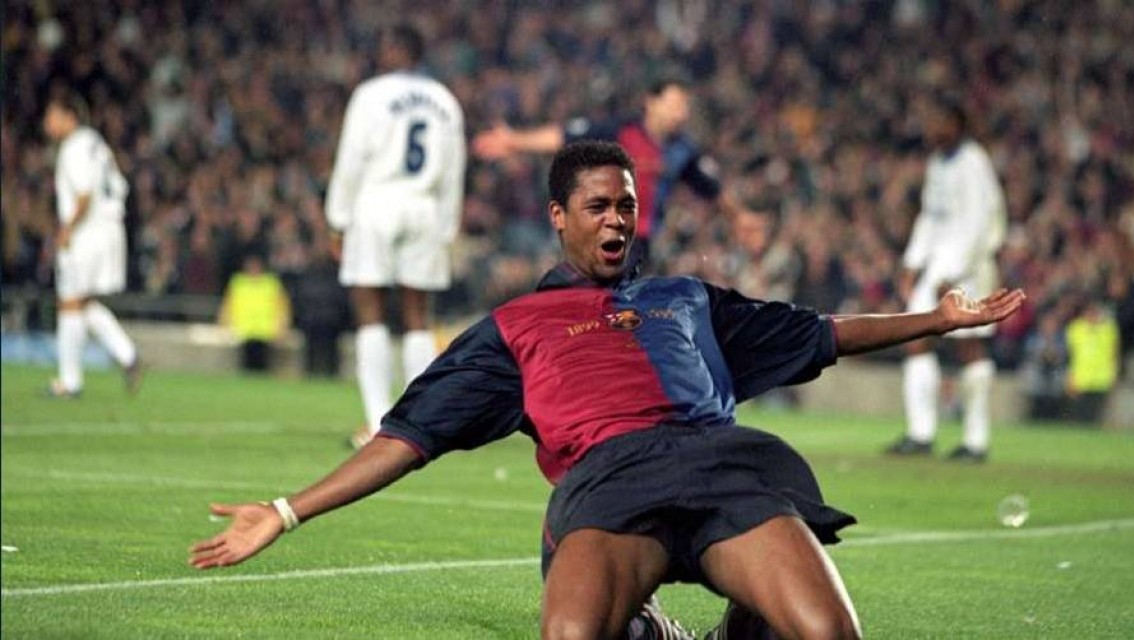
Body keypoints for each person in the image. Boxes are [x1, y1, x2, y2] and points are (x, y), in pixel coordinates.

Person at [191, 141, 1025, 639]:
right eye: (598, 207)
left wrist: (938, 320)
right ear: (559, 216)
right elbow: (408, 438)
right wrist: (287, 511)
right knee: (570, 633)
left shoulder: (684, 299)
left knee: (828, 633)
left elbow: (821, 333)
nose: (618, 220)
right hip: (611, 482)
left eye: (626, 206)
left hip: (724, 468)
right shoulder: (516, 325)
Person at [324, 25, 466, 447]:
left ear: (397, 50)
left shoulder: (371, 94)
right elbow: (454, 169)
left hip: (377, 202)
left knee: (370, 310)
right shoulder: (444, 100)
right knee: (417, 315)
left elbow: (351, 159)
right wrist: (447, 225)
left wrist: (337, 218)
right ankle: (419, 422)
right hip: (424, 206)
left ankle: (377, 424)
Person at [472, 79, 751, 270]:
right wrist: (514, 141)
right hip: (601, 232)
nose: (681, 113)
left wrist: (740, 217)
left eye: (684, 106)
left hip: (640, 243)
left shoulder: (683, 150)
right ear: (651, 102)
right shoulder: (620, 131)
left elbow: (712, 188)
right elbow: (563, 137)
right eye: (675, 104)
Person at [886, 96, 1007, 463]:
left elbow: (982, 221)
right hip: (938, 266)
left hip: (969, 267)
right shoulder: (937, 163)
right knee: (915, 338)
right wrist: (912, 263)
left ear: (957, 124)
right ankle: (921, 433)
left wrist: (956, 273)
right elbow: (930, 217)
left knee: (969, 346)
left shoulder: (974, 162)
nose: (932, 128)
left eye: (939, 121)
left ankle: (976, 440)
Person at [42, 91, 143, 398]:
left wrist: (66, 230)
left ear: (69, 116)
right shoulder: (95, 142)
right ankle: (128, 355)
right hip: (109, 228)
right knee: (82, 302)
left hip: (88, 232)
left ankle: (69, 382)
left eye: (52, 116)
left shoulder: (74, 147)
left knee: (69, 301)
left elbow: (84, 195)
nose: (47, 123)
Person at [218, 253, 292, 373]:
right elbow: (227, 305)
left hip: (265, 331)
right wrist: (225, 323)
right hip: (244, 331)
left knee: (263, 365)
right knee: (246, 365)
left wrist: (281, 326)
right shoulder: (238, 283)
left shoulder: (271, 283)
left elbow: (282, 307)